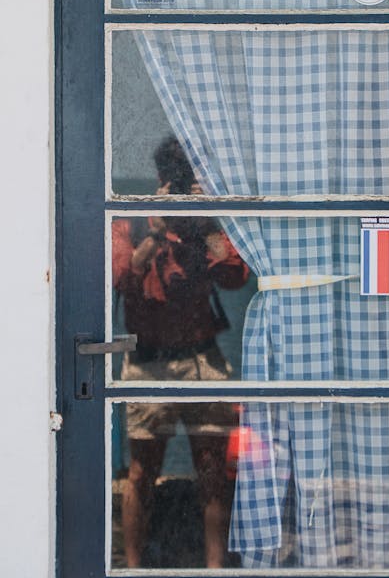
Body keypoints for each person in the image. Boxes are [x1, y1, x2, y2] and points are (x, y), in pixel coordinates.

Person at [112, 136, 250, 568]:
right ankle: (132, 569)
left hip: (200, 357)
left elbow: (234, 276)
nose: (179, 185)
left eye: (188, 178)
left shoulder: (201, 220)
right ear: (159, 179)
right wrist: (155, 231)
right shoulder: (133, 218)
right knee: (140, 473)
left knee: (213, 475)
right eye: (175, 178)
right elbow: (121, 277)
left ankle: (215, 569)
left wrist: (204, 222)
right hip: (149, 360)